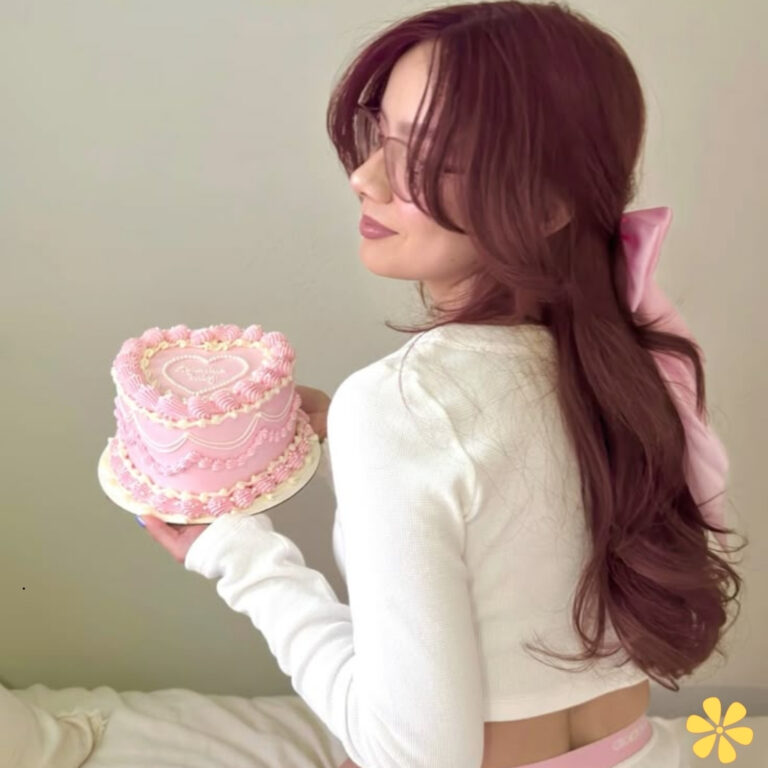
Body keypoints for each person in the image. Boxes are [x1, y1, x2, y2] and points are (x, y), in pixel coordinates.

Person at [140, 3, 745, 767]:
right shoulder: (637, 359)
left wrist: (238, 555)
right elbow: (519, 514)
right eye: (378, 137)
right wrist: (356, 443)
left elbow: (413, 754)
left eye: (426, 158)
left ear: (549, 203)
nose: (365, 178)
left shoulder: (402, 408)